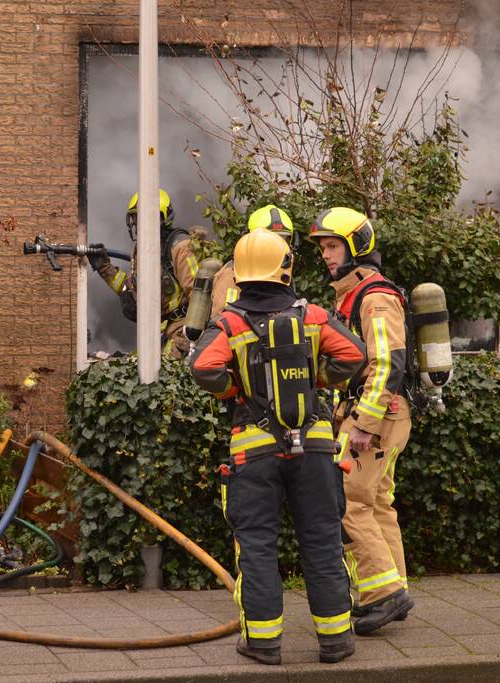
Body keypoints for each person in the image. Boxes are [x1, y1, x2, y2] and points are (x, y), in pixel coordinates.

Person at [189, 228, 366, 665]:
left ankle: (264, 643)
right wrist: (316, 380)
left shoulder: (229, 322)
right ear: (285, 268)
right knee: (324, 541)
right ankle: (336, 640)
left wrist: (235, 390)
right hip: (317, 448)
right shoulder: (313, 316)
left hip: (254, 451)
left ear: (241, 272)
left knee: (257, 545)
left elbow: (202, 367)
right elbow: (353, 355)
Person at [308, 206, 415, 635]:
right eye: (323, 248)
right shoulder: (354, 294)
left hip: (377, 416)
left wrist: (362, 426)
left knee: (349, 501)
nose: (326, 255)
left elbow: (388, 364)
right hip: (380, 413)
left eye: (333, 246)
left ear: (357, 246)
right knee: (377, 504)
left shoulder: (374, 297)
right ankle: (394, 588)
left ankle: (382, 595)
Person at [88, 189, 199, 358]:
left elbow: (198, 296)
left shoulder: (180, 247)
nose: (136, 224)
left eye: (140, 218)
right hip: (158, 332)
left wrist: (191, 335)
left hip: (180, 331)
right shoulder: (141, 250)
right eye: (134, 218)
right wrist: (105, 268)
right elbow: (133, 290)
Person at [209, 204, 297, 317]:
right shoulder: (234, 274)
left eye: (283, 239)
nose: (277, 245)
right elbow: (225, 319)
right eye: (268, 239)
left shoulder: (281, 271)